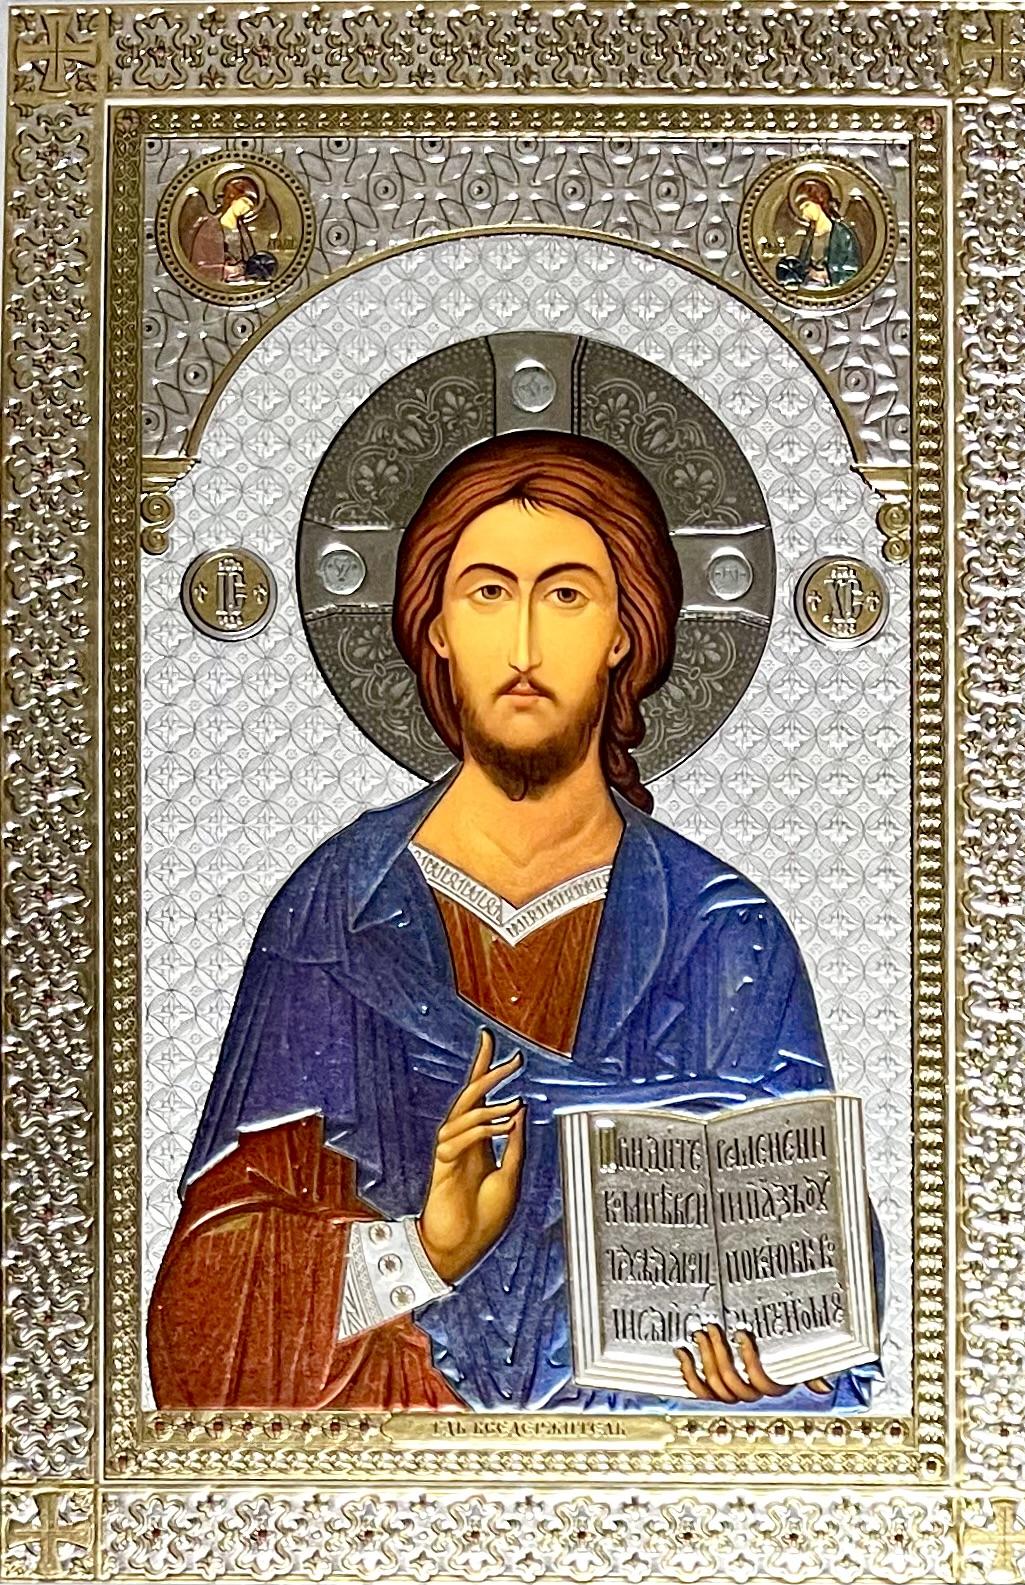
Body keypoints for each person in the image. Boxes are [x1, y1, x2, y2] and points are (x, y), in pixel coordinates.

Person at [147, 431, 883, 1412]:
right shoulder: (337, 913)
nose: (525, 645)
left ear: (624, 630)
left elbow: (819, 1304)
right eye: (488, 592)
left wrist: (767, 1372)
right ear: (436, 626)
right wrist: (422, 1251)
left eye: (566, 594)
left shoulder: (724, 933)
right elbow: (203, 1316)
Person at [776, 178, 861, 290]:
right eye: (801, 208)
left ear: (820, 202)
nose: (804, 213)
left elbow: (851, 269)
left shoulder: (842, 234)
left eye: (806, 206)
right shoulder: (807, 236)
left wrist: (827, 274)